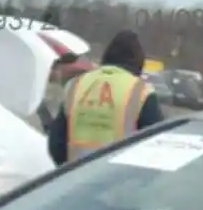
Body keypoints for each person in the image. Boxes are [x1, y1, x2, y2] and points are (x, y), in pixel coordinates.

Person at [48, 29, 165, 166]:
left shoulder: (77, 85)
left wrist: (67, 169)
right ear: (138, 63)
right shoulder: (141, 91)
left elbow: (56, 143)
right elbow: (156, 147)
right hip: (118, 181)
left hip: (77, 179)